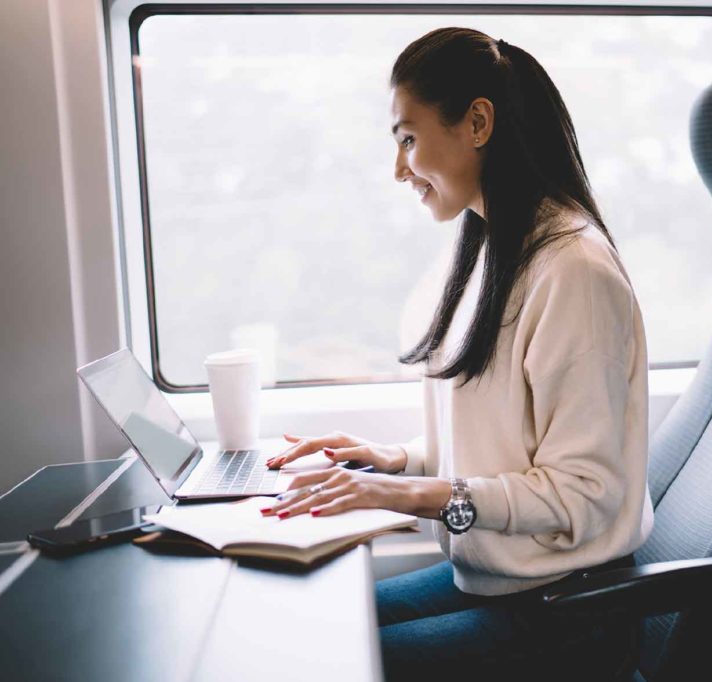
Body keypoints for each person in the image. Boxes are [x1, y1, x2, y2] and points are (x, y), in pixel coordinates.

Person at [262, 27, 654, 681]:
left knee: (318, 663)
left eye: (408, 140)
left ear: (477, 123)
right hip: (500, 580)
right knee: (297, 624)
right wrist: (393, 460)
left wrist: (414, 494)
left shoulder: (574, 272)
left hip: (568, 612)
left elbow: (583, 497)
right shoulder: (491, 248)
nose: (398, 169)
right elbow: (501, 440)